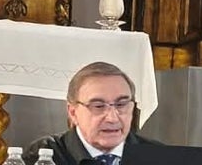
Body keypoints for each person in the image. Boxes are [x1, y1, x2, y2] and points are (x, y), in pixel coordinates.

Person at [24, 62, 159, 165]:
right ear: (73, 113)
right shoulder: (43, 156)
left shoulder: (158, 156)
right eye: (98, 106)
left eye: (121, 104)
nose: (112, 118)